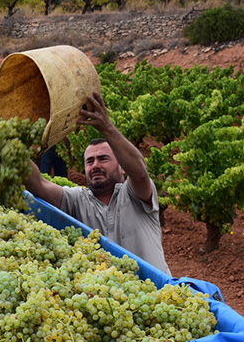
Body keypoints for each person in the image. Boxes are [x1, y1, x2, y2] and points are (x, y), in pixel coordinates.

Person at [24, 91, 171, 275]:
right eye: (89, 161)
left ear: (122, 167)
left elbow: (140, 173)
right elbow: (39, 184)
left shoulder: (135, 195)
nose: (95, 165)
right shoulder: (78, 199)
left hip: (158, 295)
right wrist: (12, 147)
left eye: (103, 159)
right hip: (109, 299)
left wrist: (106, 127)